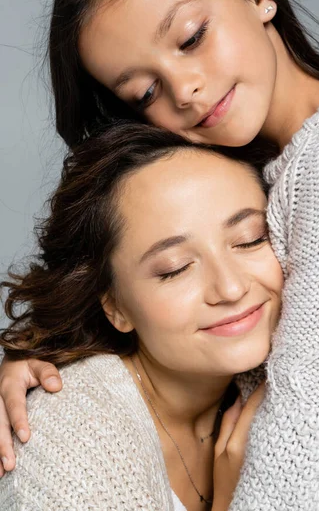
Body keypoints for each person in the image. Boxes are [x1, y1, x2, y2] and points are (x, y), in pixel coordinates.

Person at [0, 0, 319, 508]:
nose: (184, 88)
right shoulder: (264, 162)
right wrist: (47, 362)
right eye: (146, 93)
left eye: (190, 38)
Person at [0, 123, 282, 510]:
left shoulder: (294, 371)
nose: (231, 289)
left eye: (251, 239)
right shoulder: (68, 444)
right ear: (115, 306)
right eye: (175, 268)